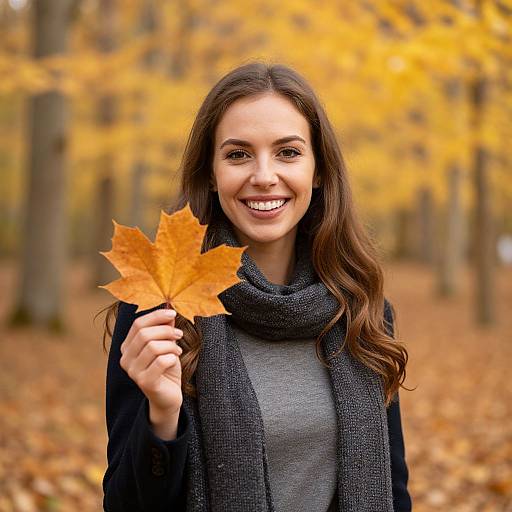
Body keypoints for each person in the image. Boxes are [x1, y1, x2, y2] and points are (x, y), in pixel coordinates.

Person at [99, 61, 412, 512]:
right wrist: (162, 416)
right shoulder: (159, 313)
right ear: (210, 172)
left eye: (288, 152)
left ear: (319, 170)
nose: (264, 175)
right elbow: (125, 504)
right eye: (238, 154)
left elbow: (393, 489)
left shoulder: (361, 309)